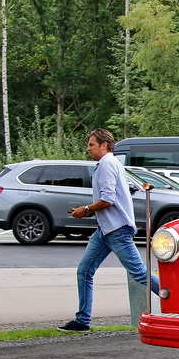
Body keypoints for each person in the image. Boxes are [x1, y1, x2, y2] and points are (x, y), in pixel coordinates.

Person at [59, 128, 159, 332]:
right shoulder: (110, 163)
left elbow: (107, 200)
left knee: (140, 274)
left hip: (116, 229)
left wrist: (86, 209)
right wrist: (88, 211)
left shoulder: (106, 164)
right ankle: (82, 320)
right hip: (106, 230)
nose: (88, 149)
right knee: (84, 271)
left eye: (91, 145)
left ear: (104, 145)